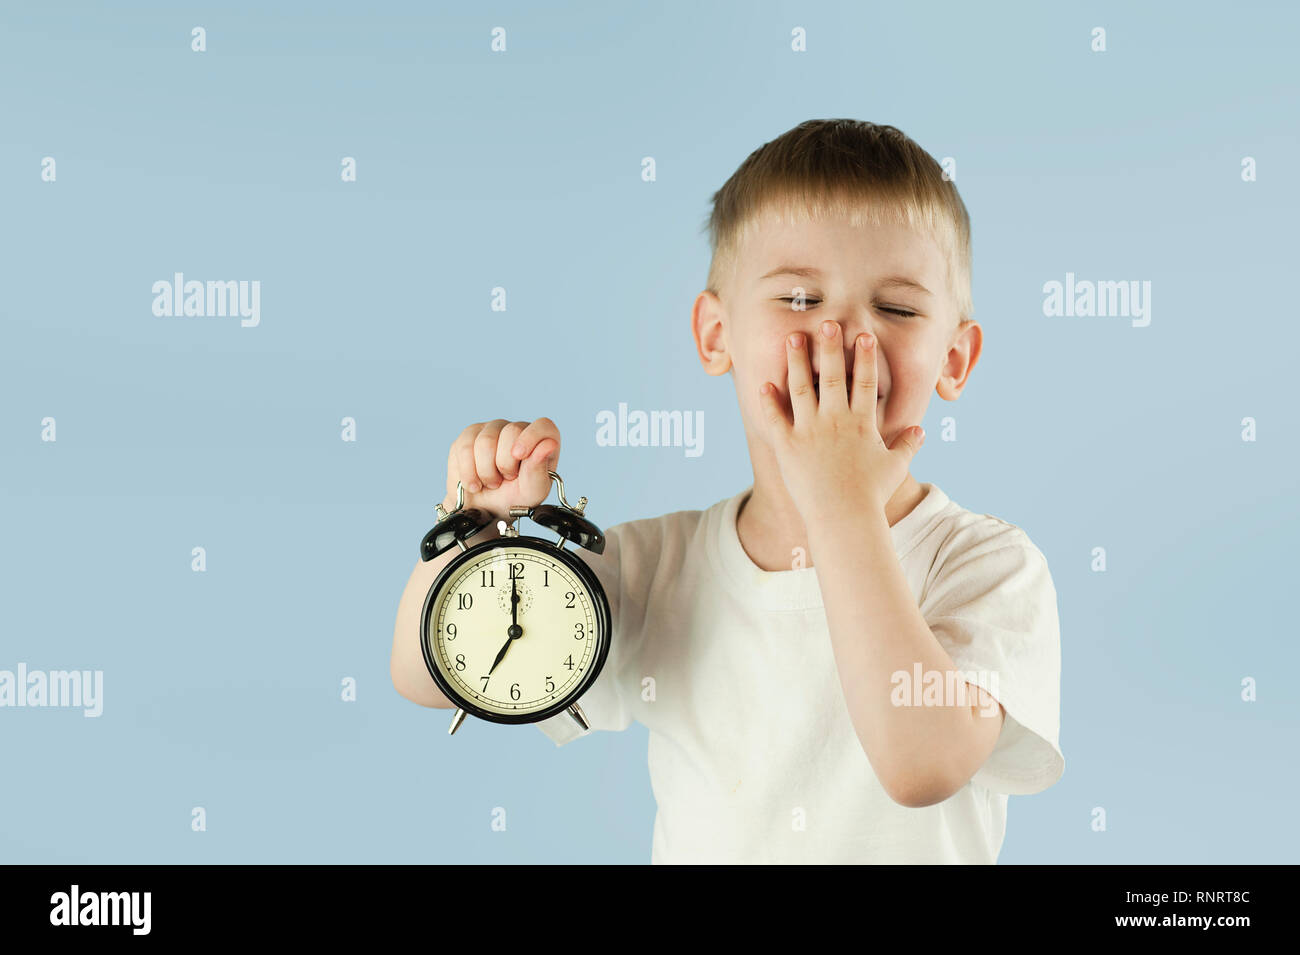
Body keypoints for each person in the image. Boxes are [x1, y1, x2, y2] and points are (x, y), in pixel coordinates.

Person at [391, 119, 1064, 864]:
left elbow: (921, 762)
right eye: (801, 298)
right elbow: (432, 678)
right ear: (717, 336)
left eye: (897, 309)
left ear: (955, 359)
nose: (844, 335)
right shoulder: (660, 563)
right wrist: (477, 529)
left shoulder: (987, 564)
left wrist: (840, 502)